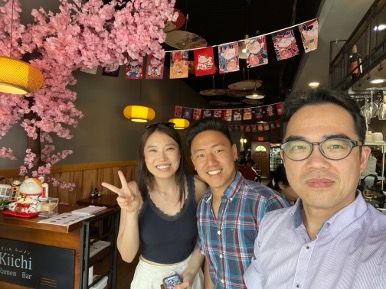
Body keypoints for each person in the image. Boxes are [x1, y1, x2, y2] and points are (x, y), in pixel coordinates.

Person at [244, 88, 386, 288]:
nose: (316, 163)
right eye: (299, 147)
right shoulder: (270, 225)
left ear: (362, 158)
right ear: (284, 159)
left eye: (336, 145)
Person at [175, 117, 289, 289]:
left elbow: (288, 272)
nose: (210, 162)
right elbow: (208, 254)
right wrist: (190, 275)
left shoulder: (266, 203)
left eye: (218, 150)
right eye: (200, 155)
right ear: (194, 163)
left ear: (234, 152)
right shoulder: (204, 205)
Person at [101, 122, 207, 289]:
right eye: (153, 150)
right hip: (149, 279)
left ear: (179, 152)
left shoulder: (198, 187)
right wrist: (131, 212)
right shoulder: (134, 191)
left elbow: (205, 238)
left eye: (170, 148)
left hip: (189, 276)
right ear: (144, 156)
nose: (162, 158)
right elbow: (128, 256)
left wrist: (191, 273)